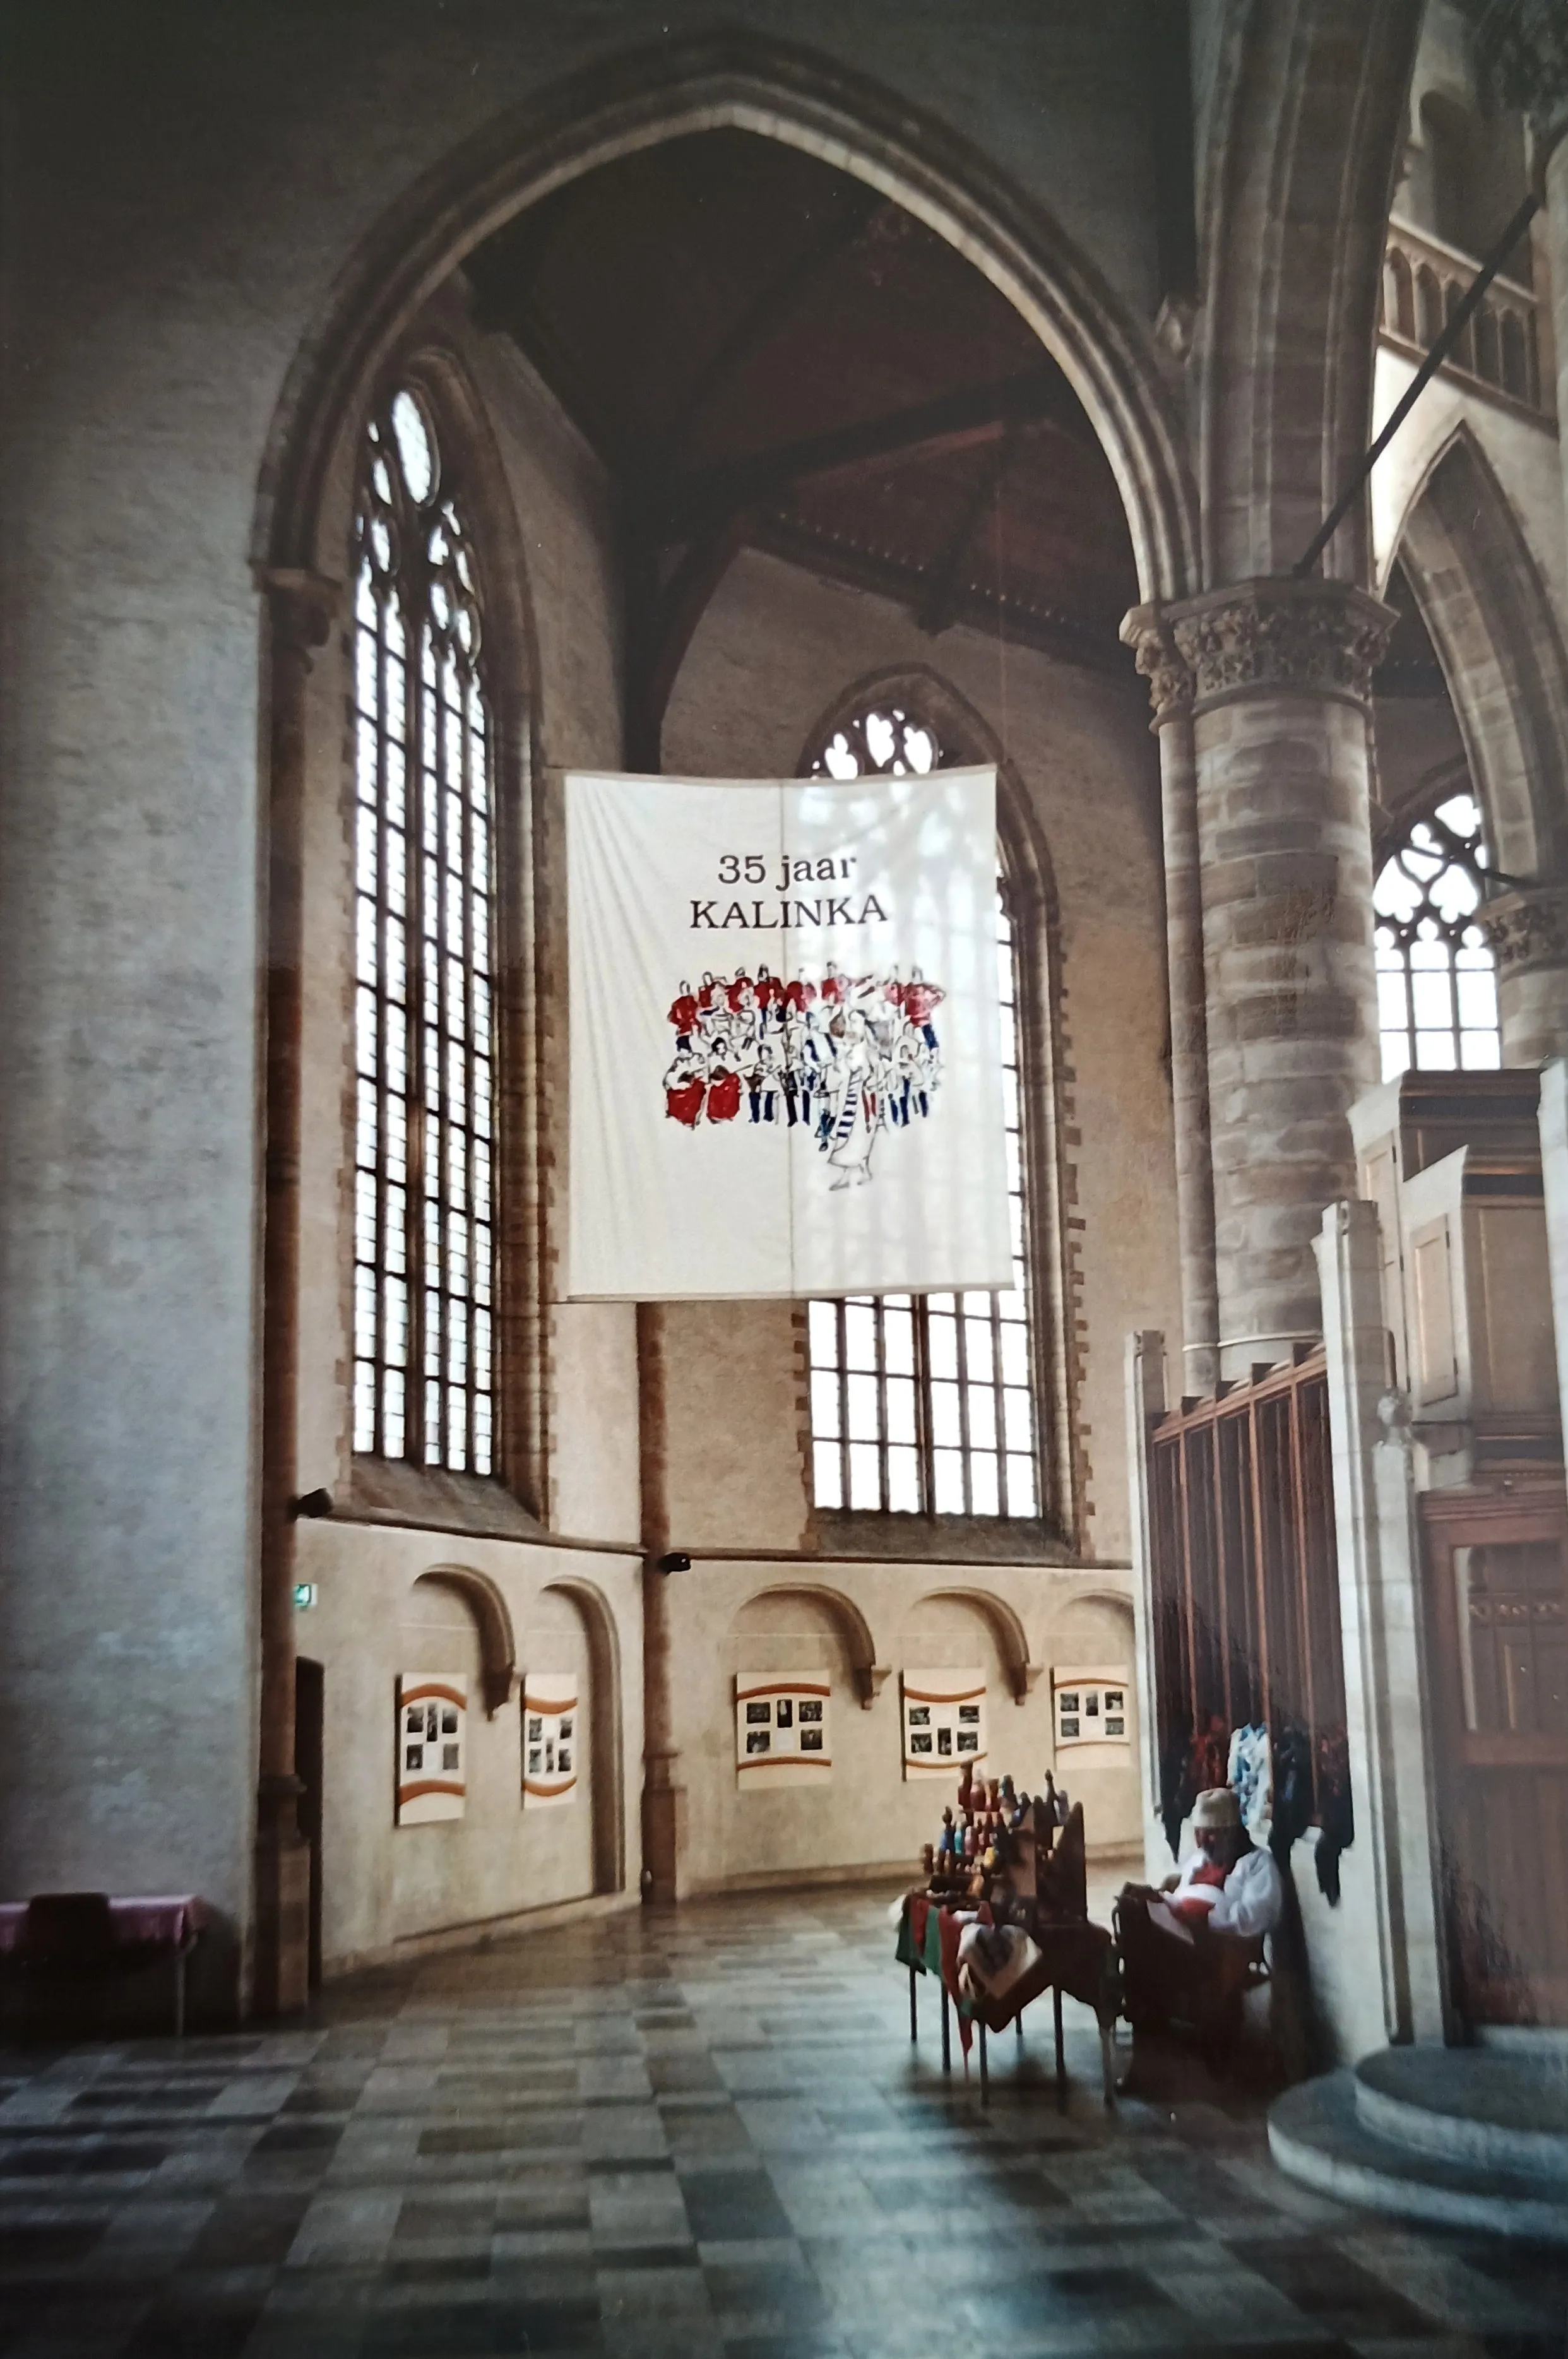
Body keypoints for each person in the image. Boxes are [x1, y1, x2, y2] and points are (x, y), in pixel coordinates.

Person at [1114, 1785, 1281, 2081]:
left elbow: (1252, 1918)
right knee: (1134, 1909)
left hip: (1217, 1948)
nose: (1204, 1844)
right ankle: (1147, 2050)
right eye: (1201, 1835)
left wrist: (1202, 1916)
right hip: (1181, 1938)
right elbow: (1177, 1897)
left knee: (1142, 1962)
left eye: (1213, 1835)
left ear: (1233, 1832)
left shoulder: (1258, 1865)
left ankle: (1146, 2048)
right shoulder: (1200, 1860)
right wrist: (1158, 1898)